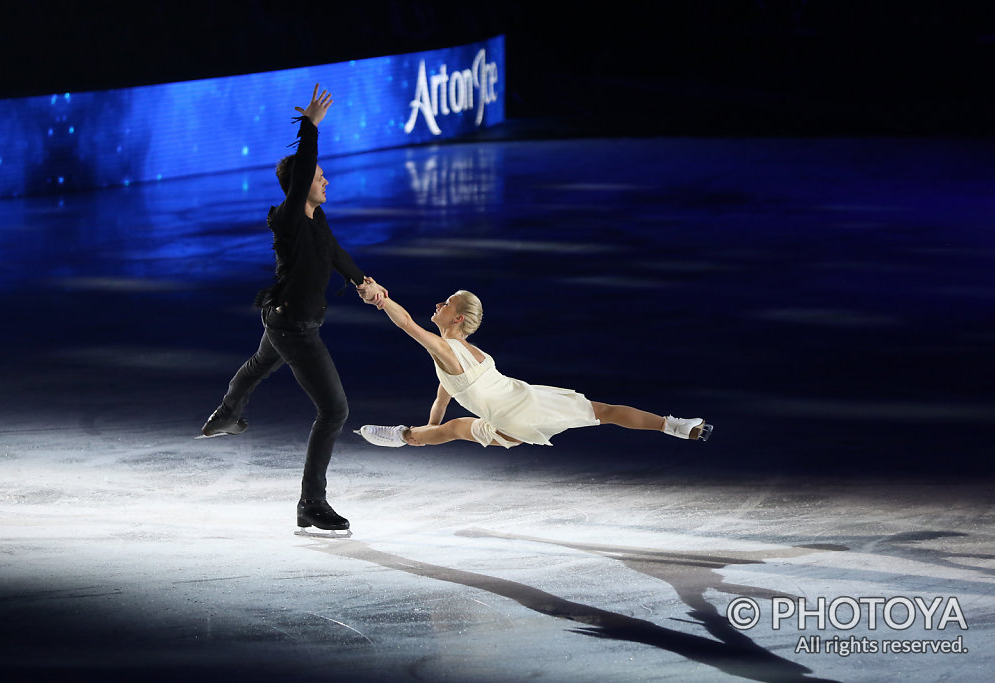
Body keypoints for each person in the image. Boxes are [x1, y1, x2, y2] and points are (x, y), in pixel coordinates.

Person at [200, 85, 387, 531]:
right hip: (296, 328)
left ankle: (227, 414)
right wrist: (310, 127)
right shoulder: (288, 218)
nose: (326, 181)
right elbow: (303, 170)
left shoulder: (316, 220)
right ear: (301, 185)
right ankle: (311, 502)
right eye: (320, 177)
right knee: (335, 411)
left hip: (283, 319)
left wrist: (363, 281)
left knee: (259, 363)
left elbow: (336, 252)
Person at [354, 285, 712, 449]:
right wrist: (430, 431)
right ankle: (676, 427)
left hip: (511, 421)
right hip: (528, 402)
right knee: (606, 411)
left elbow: (407, 325)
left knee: (453, 429)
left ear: (457, 317)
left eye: (445, 303)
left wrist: (382, 299)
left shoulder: (446, 350)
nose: (438, 303)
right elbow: (442, 398)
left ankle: (402, 435)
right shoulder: (467, 353)